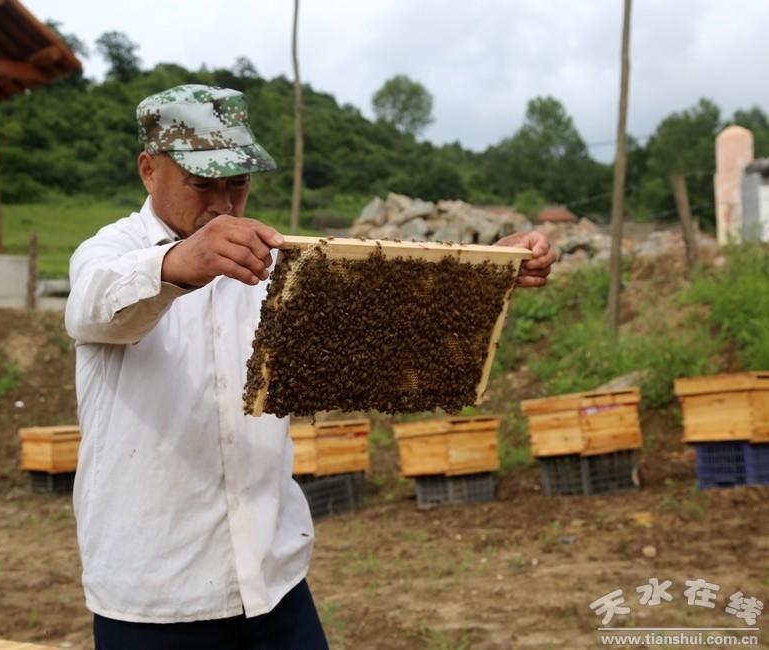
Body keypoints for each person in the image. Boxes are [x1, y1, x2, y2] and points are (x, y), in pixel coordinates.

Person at [64, 84, 557, 650]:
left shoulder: (277, 263)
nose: (223, 206)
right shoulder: (107, 254)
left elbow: (384, 323)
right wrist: (181, 263)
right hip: (152, 600)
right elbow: (95, 307)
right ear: (149, 170)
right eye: (202, 185)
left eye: (239, 184)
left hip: (274, 585)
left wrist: (491, 269)